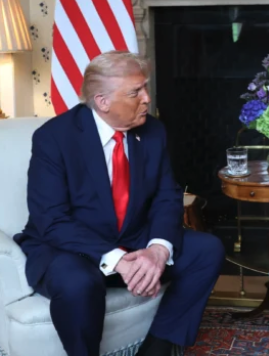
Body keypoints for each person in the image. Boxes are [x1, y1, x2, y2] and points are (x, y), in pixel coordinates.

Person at [14, 51, 225, 356]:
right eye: (135, 92)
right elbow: (52, 221)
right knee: (78, 284)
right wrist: (118, 261)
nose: (146, 99)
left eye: (145, 88)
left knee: (207, 250)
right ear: (102, 102)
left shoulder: (153, 131)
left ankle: (156, 350)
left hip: (133, 237)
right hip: (70, 246)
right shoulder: (54, 138)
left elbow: (167, 195)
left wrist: (157, 249)